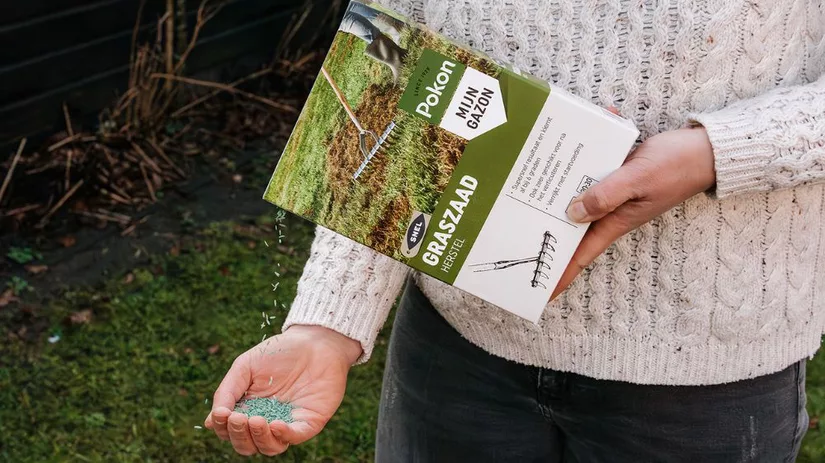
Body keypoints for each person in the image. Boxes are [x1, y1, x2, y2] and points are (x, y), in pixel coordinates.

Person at [205, 0, 825, 460]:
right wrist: (327, 326)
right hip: (458, 352)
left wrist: (716, 153)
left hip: (703, 381)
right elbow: (389, 73)